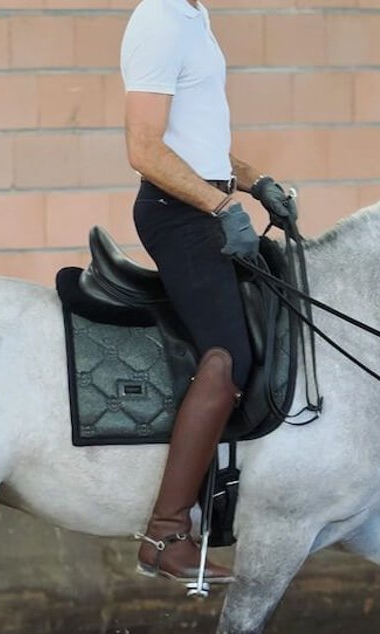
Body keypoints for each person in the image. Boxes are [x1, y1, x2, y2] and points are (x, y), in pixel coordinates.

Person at [121, 0, 295, 585]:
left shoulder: (194, 16)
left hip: (204, 202)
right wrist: (222, 206)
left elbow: (197, 142)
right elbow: (144, 149)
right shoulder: (159, 19)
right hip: (179, 214)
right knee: (228, 357)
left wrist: (255, 181)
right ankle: (166, 533)